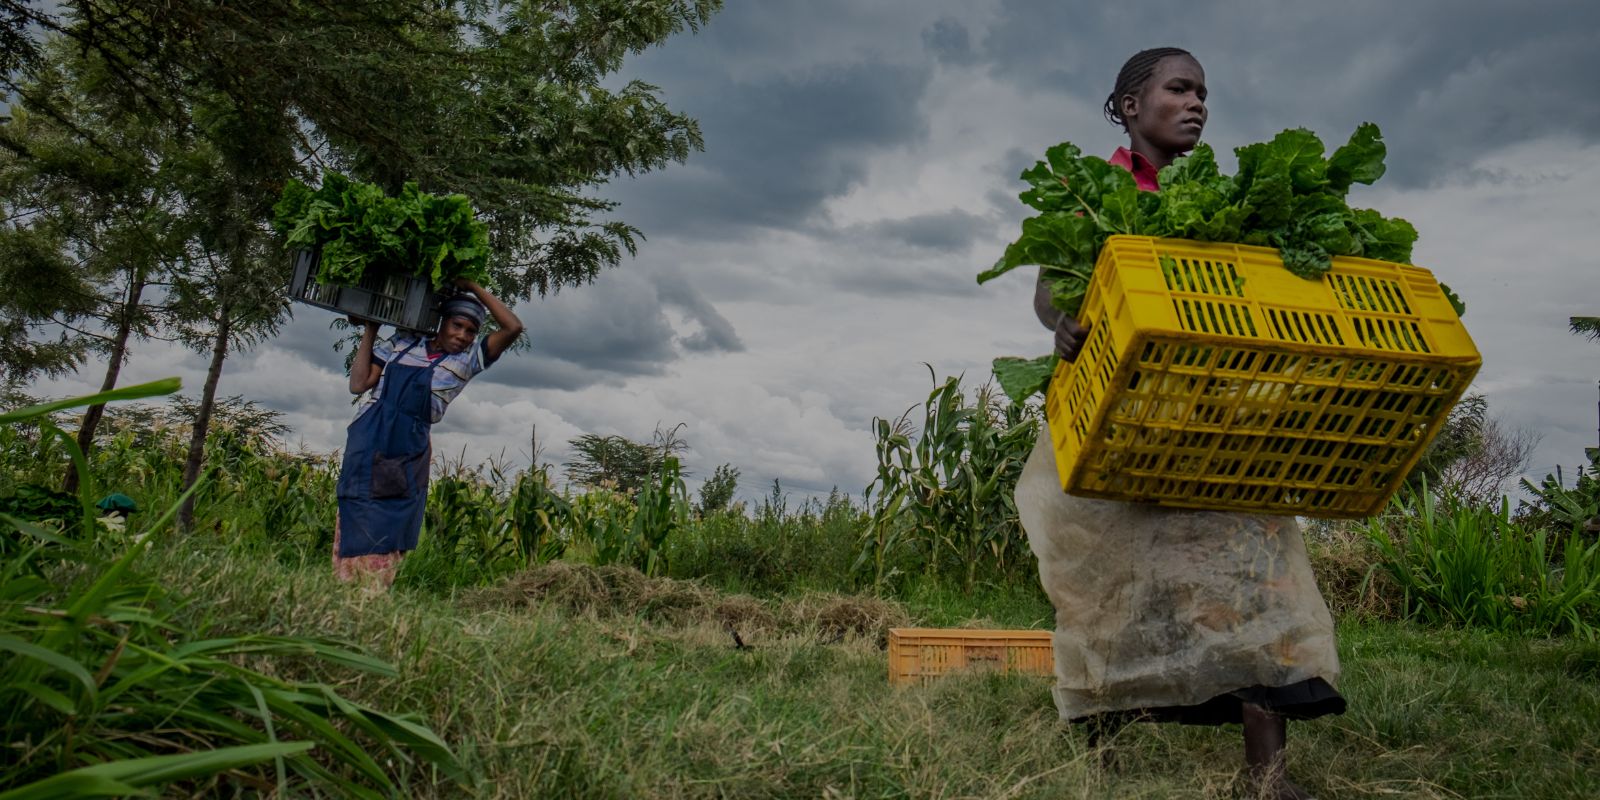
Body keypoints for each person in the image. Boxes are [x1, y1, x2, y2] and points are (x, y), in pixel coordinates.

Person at [1015, 48, 1344, 800]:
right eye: (1179, 88)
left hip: (1212, 422)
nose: (1196, 103)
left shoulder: (1227, 199)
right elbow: (1048, 290)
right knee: (1109, 588)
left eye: (1202, 92)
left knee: (1255, 581)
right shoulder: (1092, 189)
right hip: (1122, 417)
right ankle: (1099, 761)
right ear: (1131, 106)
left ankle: (1266, 779)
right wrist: (1064, 323)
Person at [332, 278, 524, 589]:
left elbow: (513, 327)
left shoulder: (467, 361)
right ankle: (344, 590)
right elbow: (358, 384)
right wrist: (371, 329)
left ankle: (371, 595)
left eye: (471, 331)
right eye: (457, 325)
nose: (462, 336)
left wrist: (472, 286)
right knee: (354, 509)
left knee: (389, 522)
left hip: (406, 451)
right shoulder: (404, 342)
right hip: (367, 440)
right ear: (442, 322)